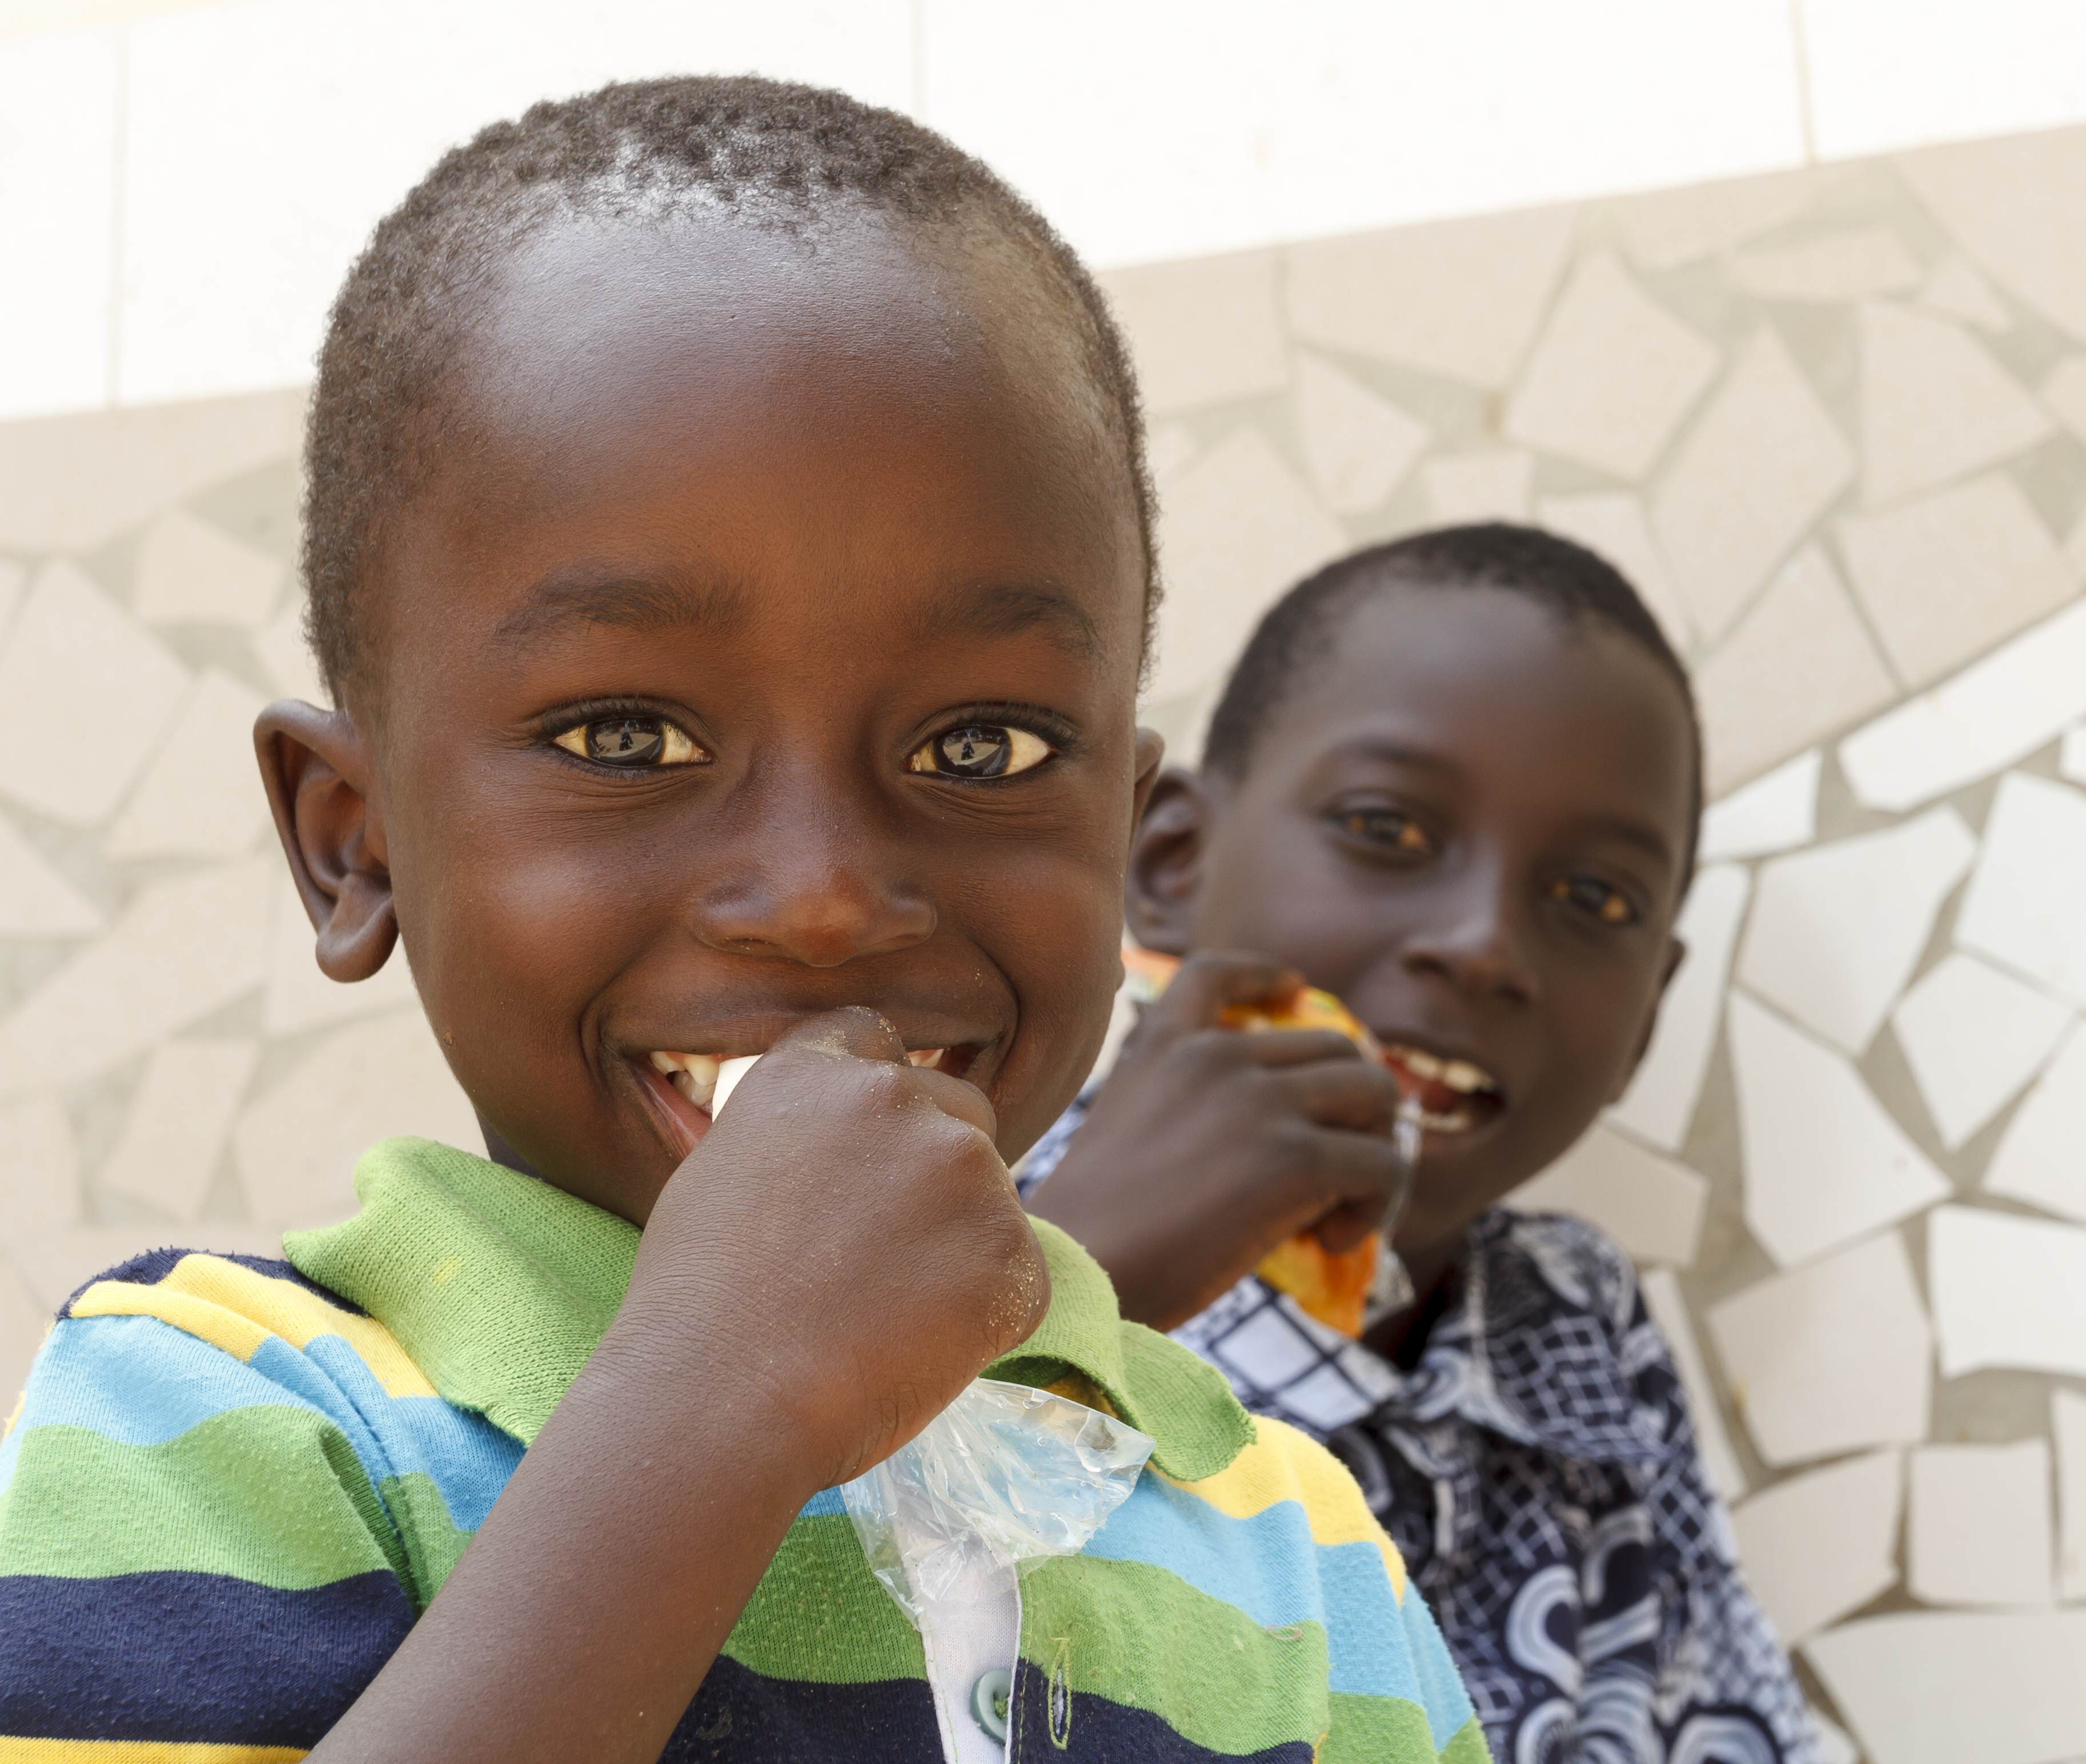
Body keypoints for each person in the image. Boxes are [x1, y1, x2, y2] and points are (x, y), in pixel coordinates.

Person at [0, 79, 1487, 1764]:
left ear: (1123, 828)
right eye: (624, 737)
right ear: (355, 846)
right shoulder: (228, 1420)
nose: (826, 894)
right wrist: (719, 1407)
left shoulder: (1302, 1562)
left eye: (983, 749)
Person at [1017, 526, 1819, 1764]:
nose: (1484, 944)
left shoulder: (1574, 1324)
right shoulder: (939, 1239)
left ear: (1647, 1017)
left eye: (1593, 898)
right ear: (1169, 860)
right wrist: (1077, 1294)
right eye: (1387, 829)